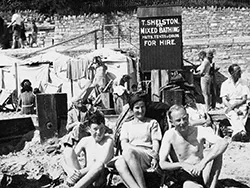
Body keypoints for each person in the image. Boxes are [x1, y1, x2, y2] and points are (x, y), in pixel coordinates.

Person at [159, 105, 228, 188]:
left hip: (201, 170)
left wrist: (202, 163)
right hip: (184, 174)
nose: (182, 122)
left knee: (218, 151)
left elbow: (223, 143)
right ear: (171, 121)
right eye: (178, 120)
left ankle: (211, 186)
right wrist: (182, 164)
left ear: (188, 116)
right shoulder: (170, 135)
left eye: (184, 118)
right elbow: (162, 164)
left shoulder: (198, 131)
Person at [113, 94, 162, 188]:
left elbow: (155, 141)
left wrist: (155, 157)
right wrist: (132, 148)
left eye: (142, 107)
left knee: (127, 152)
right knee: (119, 163)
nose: (140, 110)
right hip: (130, 155)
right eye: (137, 108)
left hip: (146, 155)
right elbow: (124, 144)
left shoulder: (152, 123)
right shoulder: (126, 125)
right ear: (131, 110)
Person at [61, 110, 114, 187]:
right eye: (95, 129)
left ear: (105, 128)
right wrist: (71, 173)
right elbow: (65, 159)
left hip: (98, 180)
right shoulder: (86, 140)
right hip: (83, 178)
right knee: (68, 151)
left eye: (101, 129)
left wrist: (79, 173)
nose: (99, 132)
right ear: (89, 129)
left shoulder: (108, 140)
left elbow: (103, 162)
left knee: (99, 164)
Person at [220, 64, 250, 141]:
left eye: (240, 71)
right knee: (233, 115)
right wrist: (233, 107)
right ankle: (242, 132)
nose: (240, 73)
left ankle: (236, 134)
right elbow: (224, 100)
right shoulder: (225, 84)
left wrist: (235, 105)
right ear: (232, 73)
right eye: (238, 71)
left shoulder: (243, 82)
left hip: (241, 103)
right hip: (229, 104)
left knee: (241, 115)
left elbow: (244, 99)